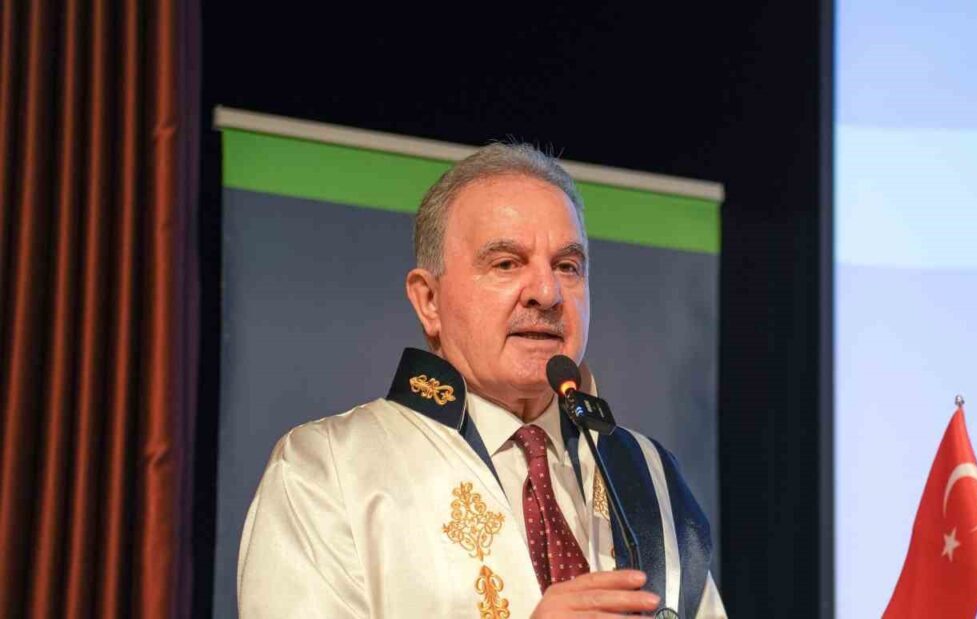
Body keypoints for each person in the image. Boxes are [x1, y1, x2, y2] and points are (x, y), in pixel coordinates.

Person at [237, 143, 725, 618]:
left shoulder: (648, 474)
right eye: (506, 263)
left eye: (567, 267)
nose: (547, 292)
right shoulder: (326, 470)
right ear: (428, 301)